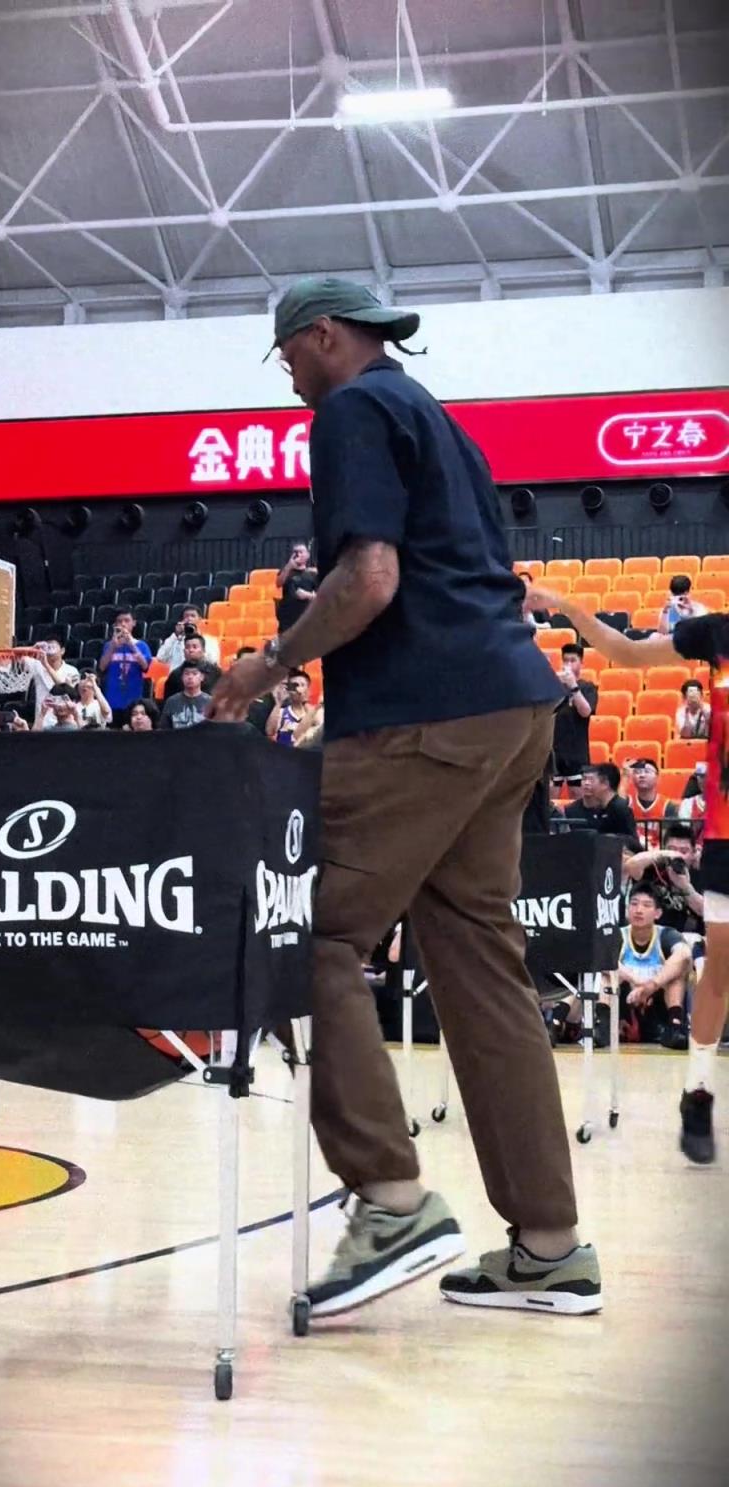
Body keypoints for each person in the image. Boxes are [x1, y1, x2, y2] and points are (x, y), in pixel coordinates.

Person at [212, 275, 600, 1317]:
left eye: (287, 355)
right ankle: (551, 1247)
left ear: (322, 336)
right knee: (481, 970)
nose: (288, 376)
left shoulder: (350, 411)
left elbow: (371, 578)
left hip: (427, 715)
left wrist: (271, 664)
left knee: (305, 934)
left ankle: (390, 1202)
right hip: (512, 710)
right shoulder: (437, 420)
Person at [525, 586, 729, 1163]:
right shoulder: (717, 634)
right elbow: (628, 652)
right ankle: (698, 1090)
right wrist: (566, 606)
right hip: (727, 830)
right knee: (721, 967)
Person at [616, 885, 692, 1048]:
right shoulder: (618, 935)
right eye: (634, 904)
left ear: (657, 913)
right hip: (626, 1002)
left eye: (646, 905)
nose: (638, 910)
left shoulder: (667, 934)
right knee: (606, 974)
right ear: (627, 909)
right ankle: (602, 1027)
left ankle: (675, 1026)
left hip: (657, 1004)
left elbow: (684, 954)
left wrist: (651, 986)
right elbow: (603, 960)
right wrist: (636, 980)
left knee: (677, 972)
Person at [625, 821, 705, 936]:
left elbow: (705, 911)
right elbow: (631, 865)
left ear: (693, 854)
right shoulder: (653, 870)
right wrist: (665, 854)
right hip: (655, 935)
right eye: (671, 849)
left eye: (684, 851)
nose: (678, 855)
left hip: (691, 936)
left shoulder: (700, 874)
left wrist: (685, 887)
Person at [552, 642, 598, 793]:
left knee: (579, 800)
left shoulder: (588, 687)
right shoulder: (554, 686)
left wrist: (573, 686)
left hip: (577, 752)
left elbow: (585, 712)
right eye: (565, 660)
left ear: (581, 663)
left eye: (573, 660)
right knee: (549, 801)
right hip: (554, 751)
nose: (569, 664)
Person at [98, 610, 152, 727]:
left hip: (133, 697)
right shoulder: (109, 645)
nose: (123, 624)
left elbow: (145, 666)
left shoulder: (142, 645)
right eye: (119, 621)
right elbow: (102, 667)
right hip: (113, 697)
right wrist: (113, 646)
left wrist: (131, 645)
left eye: (127, 621)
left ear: (133, 623)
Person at [563, 762, 640, 841]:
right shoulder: (601, 808)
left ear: (605, 784)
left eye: (592, 780)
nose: (587, 783)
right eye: (584, 779)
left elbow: (632, 840)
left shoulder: (619, 808)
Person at [20, 635, 79, 714]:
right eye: (47, 647)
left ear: (62, 651)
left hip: (63, 717)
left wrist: (46, 665)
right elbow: (15, 655)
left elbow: (65, 689)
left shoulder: (72, 671)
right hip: (42, 717)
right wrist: (32, 648)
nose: (50, 650)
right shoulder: (37, 665)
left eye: (53, 647)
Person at [622, 757, 673, 849]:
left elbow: (666, 841)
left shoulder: (668, 806)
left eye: (647, 771)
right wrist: (625, 776)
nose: (642, 775)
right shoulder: (628, 802)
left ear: (657, 777)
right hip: (631, 851)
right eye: (638, 772)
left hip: (657, 852)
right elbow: (615, 805)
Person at [157, 604, 220, 671]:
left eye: (193, 616)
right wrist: (175, 635)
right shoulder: (175, 640)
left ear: (200, 619)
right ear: (182, 621)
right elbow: (161, 658)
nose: (189, 619)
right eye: (186, 616)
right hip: (178, 675)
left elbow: (213, 661)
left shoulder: (210, 641)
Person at [265, 671, 319, 746]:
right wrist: (278, 703)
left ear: (308, 689)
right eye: (295, 686)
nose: (299, 689)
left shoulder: (316, 713)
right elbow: (269, 732)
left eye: (302, 685)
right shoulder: (282, 712)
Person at [163, 634, 221, 700]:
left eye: (194, 647)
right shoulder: (175, 675)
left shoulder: (215, 672)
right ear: (184, 651)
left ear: (203, 650)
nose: (191, 650)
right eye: (187, 647)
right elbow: (169, 701)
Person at [276, 542, 318, 633]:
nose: (298, 555)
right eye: (295, 552)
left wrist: (308, 595)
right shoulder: (287, 571)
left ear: (307, 555)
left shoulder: (312, 574)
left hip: (305, 618)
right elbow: (278, 583)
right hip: (287, 619)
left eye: (301, 552)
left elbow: (320, 596)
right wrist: (289, 566)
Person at [159, 662, 211, 730]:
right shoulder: (172, 701)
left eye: (194, 674)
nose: (190, 677)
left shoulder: (210, 702)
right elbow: (164, 729)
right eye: (186, 674)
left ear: (202, 677)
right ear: (182, 677)